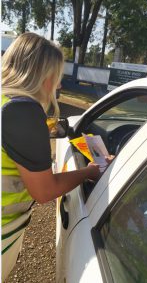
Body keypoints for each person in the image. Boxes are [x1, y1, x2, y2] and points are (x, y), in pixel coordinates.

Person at [1, 32, 101, 281]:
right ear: (42, 75)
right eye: (57, 76)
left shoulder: (6, 100)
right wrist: (90, 171)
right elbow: (44, 191)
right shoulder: (22, 112)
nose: (59, 86)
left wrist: (59, 128)